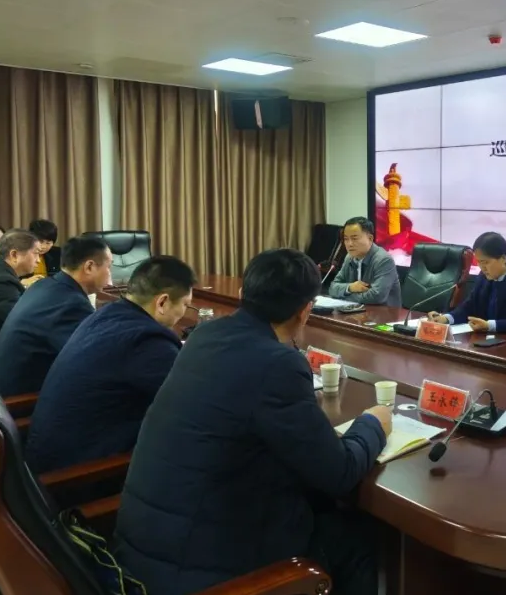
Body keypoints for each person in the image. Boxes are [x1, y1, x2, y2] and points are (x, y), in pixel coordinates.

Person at [115, 249, 391, 595]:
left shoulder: (203, 336)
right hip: (203, 573)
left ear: (242, 294)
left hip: (141, 554)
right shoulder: (277, 364)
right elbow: (339, 473)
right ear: (305, 311)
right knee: (356, 539)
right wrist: (373, 423)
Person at [25, 256, 196, 474]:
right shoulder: (147, 341)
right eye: (185, 305)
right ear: (162, 302)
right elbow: (190, 404)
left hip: (46, 459)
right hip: (81, 475)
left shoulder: (106, 314)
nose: (184, 312)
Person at [0, 236, 112, 397]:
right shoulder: (70, 304)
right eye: (109, 267)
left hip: (8, 387)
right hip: (23, 400)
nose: (110, 276)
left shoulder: (46, 285)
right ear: (89, 267)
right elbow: (94, 359)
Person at [427, 232, 506, 333]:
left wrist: (490, 326)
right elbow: (470, 306)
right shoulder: (484, 276)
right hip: (485, 340)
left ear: (503, 258)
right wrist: (446, 318)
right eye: (479, 262)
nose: (482, 267)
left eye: (485, 262)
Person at [328, 217, 401, 307]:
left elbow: (377, 296)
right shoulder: (349, 257)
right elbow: (333, 288)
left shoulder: (384, 260)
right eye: (346, 239)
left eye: (354, 238)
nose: (349, 244)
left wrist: (343, 296)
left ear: (370, 238)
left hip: (384, 314)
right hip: (356, 312)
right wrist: (350, 287)